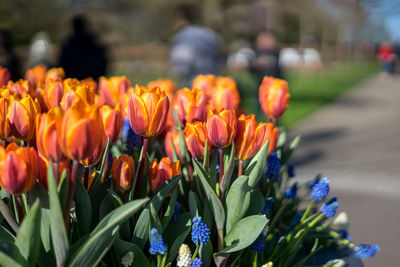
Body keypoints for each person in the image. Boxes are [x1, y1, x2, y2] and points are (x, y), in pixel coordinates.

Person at [169, 3, 222, 86]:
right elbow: (220, 58)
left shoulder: (181, 37)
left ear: (181, 18)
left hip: (193, 83)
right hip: (213, 81)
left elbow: (181, 66)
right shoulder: (211, 34)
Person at [59, 15, 108, 80]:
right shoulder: (93, 41)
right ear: (84, 26)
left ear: (74, 27)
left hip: (74, 80)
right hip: (93, 78)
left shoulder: (69, 44)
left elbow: (62, 64)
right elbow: (103, 60)